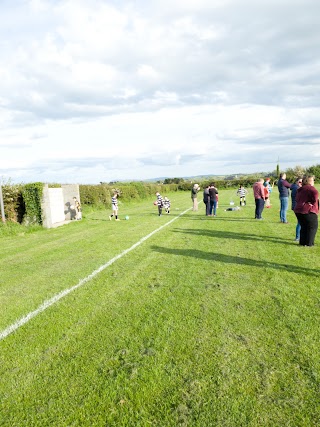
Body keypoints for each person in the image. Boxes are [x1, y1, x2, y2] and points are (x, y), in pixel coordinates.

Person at [294, 175, 319, 247]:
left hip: (298, 210)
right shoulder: (310, 188)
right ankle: (309, 243)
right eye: (313, 180)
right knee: (312, 226)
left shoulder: (301, 189)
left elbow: (297, 198)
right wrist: (313, 202)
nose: (314, 181)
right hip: (308, 210)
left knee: (304, 226)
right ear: (310, 181)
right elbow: (316, 194)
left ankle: (302, 242)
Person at [290, 177, 302, 241]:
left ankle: (299, 237)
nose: (301, 183)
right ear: (296, 182)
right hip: (297, 207)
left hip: (296, 206)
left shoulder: (295, 187)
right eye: (300, 182)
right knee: (300, 222)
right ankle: (298, 237)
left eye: (302, 182)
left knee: (300, 222)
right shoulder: (296, 188)